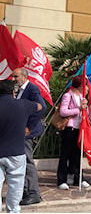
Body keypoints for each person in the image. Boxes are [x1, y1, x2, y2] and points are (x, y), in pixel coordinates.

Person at [0, 79, 42, 213]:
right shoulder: (23, 105)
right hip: (16, 152)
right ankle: (13, 211)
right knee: (16, 185)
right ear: (13, 92)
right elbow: (41, 106)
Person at [11, 68, 46, 206]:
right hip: (18, 132)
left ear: (24, 77)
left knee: (27, 161)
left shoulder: (32, 89)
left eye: (16, 76)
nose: (13, 79)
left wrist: (29, 126)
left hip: (27, 133)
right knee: (21, 161)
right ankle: (25, 191)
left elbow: (41, 107)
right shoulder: (19, 91)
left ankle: (33, 192)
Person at [57, 75, 90, 190]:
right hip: (69, 128)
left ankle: (78, 177)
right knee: (65, 154)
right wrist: (78, 109)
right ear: (80, 85)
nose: (86, 87)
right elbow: (63, 111)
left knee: (77, 155)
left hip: (79, 128)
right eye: (84, 84)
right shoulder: (68, 95)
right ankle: (62, 179)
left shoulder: (82, 96)